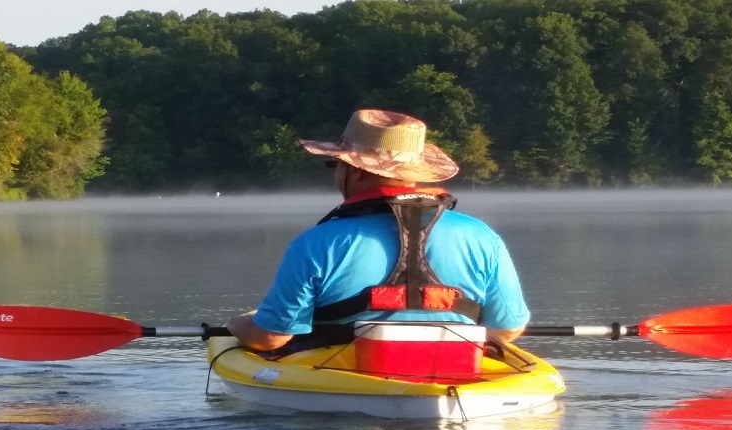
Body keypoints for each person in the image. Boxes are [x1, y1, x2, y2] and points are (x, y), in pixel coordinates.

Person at [225, 109, 529, 352]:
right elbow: (507, 329)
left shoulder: (317, 243)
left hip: (344, 382)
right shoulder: (481, 237)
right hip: (454, 379)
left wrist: (237, 325)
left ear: (355, 170)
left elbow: (270, 338)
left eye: (336, 165)